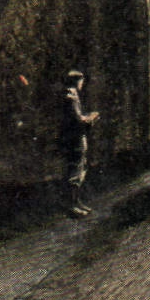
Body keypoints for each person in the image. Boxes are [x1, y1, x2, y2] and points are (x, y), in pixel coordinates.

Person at [59, 70, 101, 218]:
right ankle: (72, 205)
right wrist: (91, 118)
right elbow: (77, 120)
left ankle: (77, 202)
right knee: (75, 172)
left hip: (77, 137)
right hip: (74, 138)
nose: (82, 84)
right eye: (81, 81)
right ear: (77, 81)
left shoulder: (72, 95)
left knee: (80, 170)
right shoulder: (71, 96)